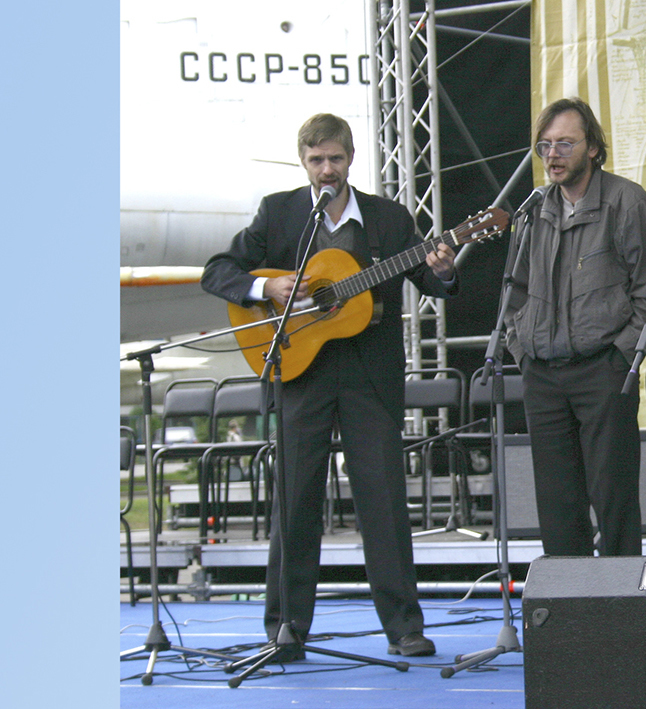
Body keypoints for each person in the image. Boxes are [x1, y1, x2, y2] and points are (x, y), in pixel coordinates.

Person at [202, 113, 456, 658]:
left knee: (383, 501)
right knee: (295, 500)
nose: (326, 170)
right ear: (303, 162)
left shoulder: (388, 219)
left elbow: (431, 279)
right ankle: (286, 628)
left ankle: (404, 627)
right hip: (302, 372)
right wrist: (267, 286)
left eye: (335, 158)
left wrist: (444, 267)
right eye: (316, 160)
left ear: (350, 159)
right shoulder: (279, 213)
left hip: (370, 376)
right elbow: (218, 270)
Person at [504, 97, 646, 557]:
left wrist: (623, 355)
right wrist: (521, 349)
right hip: (543, 375)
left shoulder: (627, 202)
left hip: (603, 370)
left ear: (593, 148)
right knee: (557, 504)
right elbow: (514, 291)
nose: (552, 155)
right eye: (545, 145)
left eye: (565, 143)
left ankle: (620, 596)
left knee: (613, 498)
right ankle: (568, 596)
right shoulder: (534, 210)